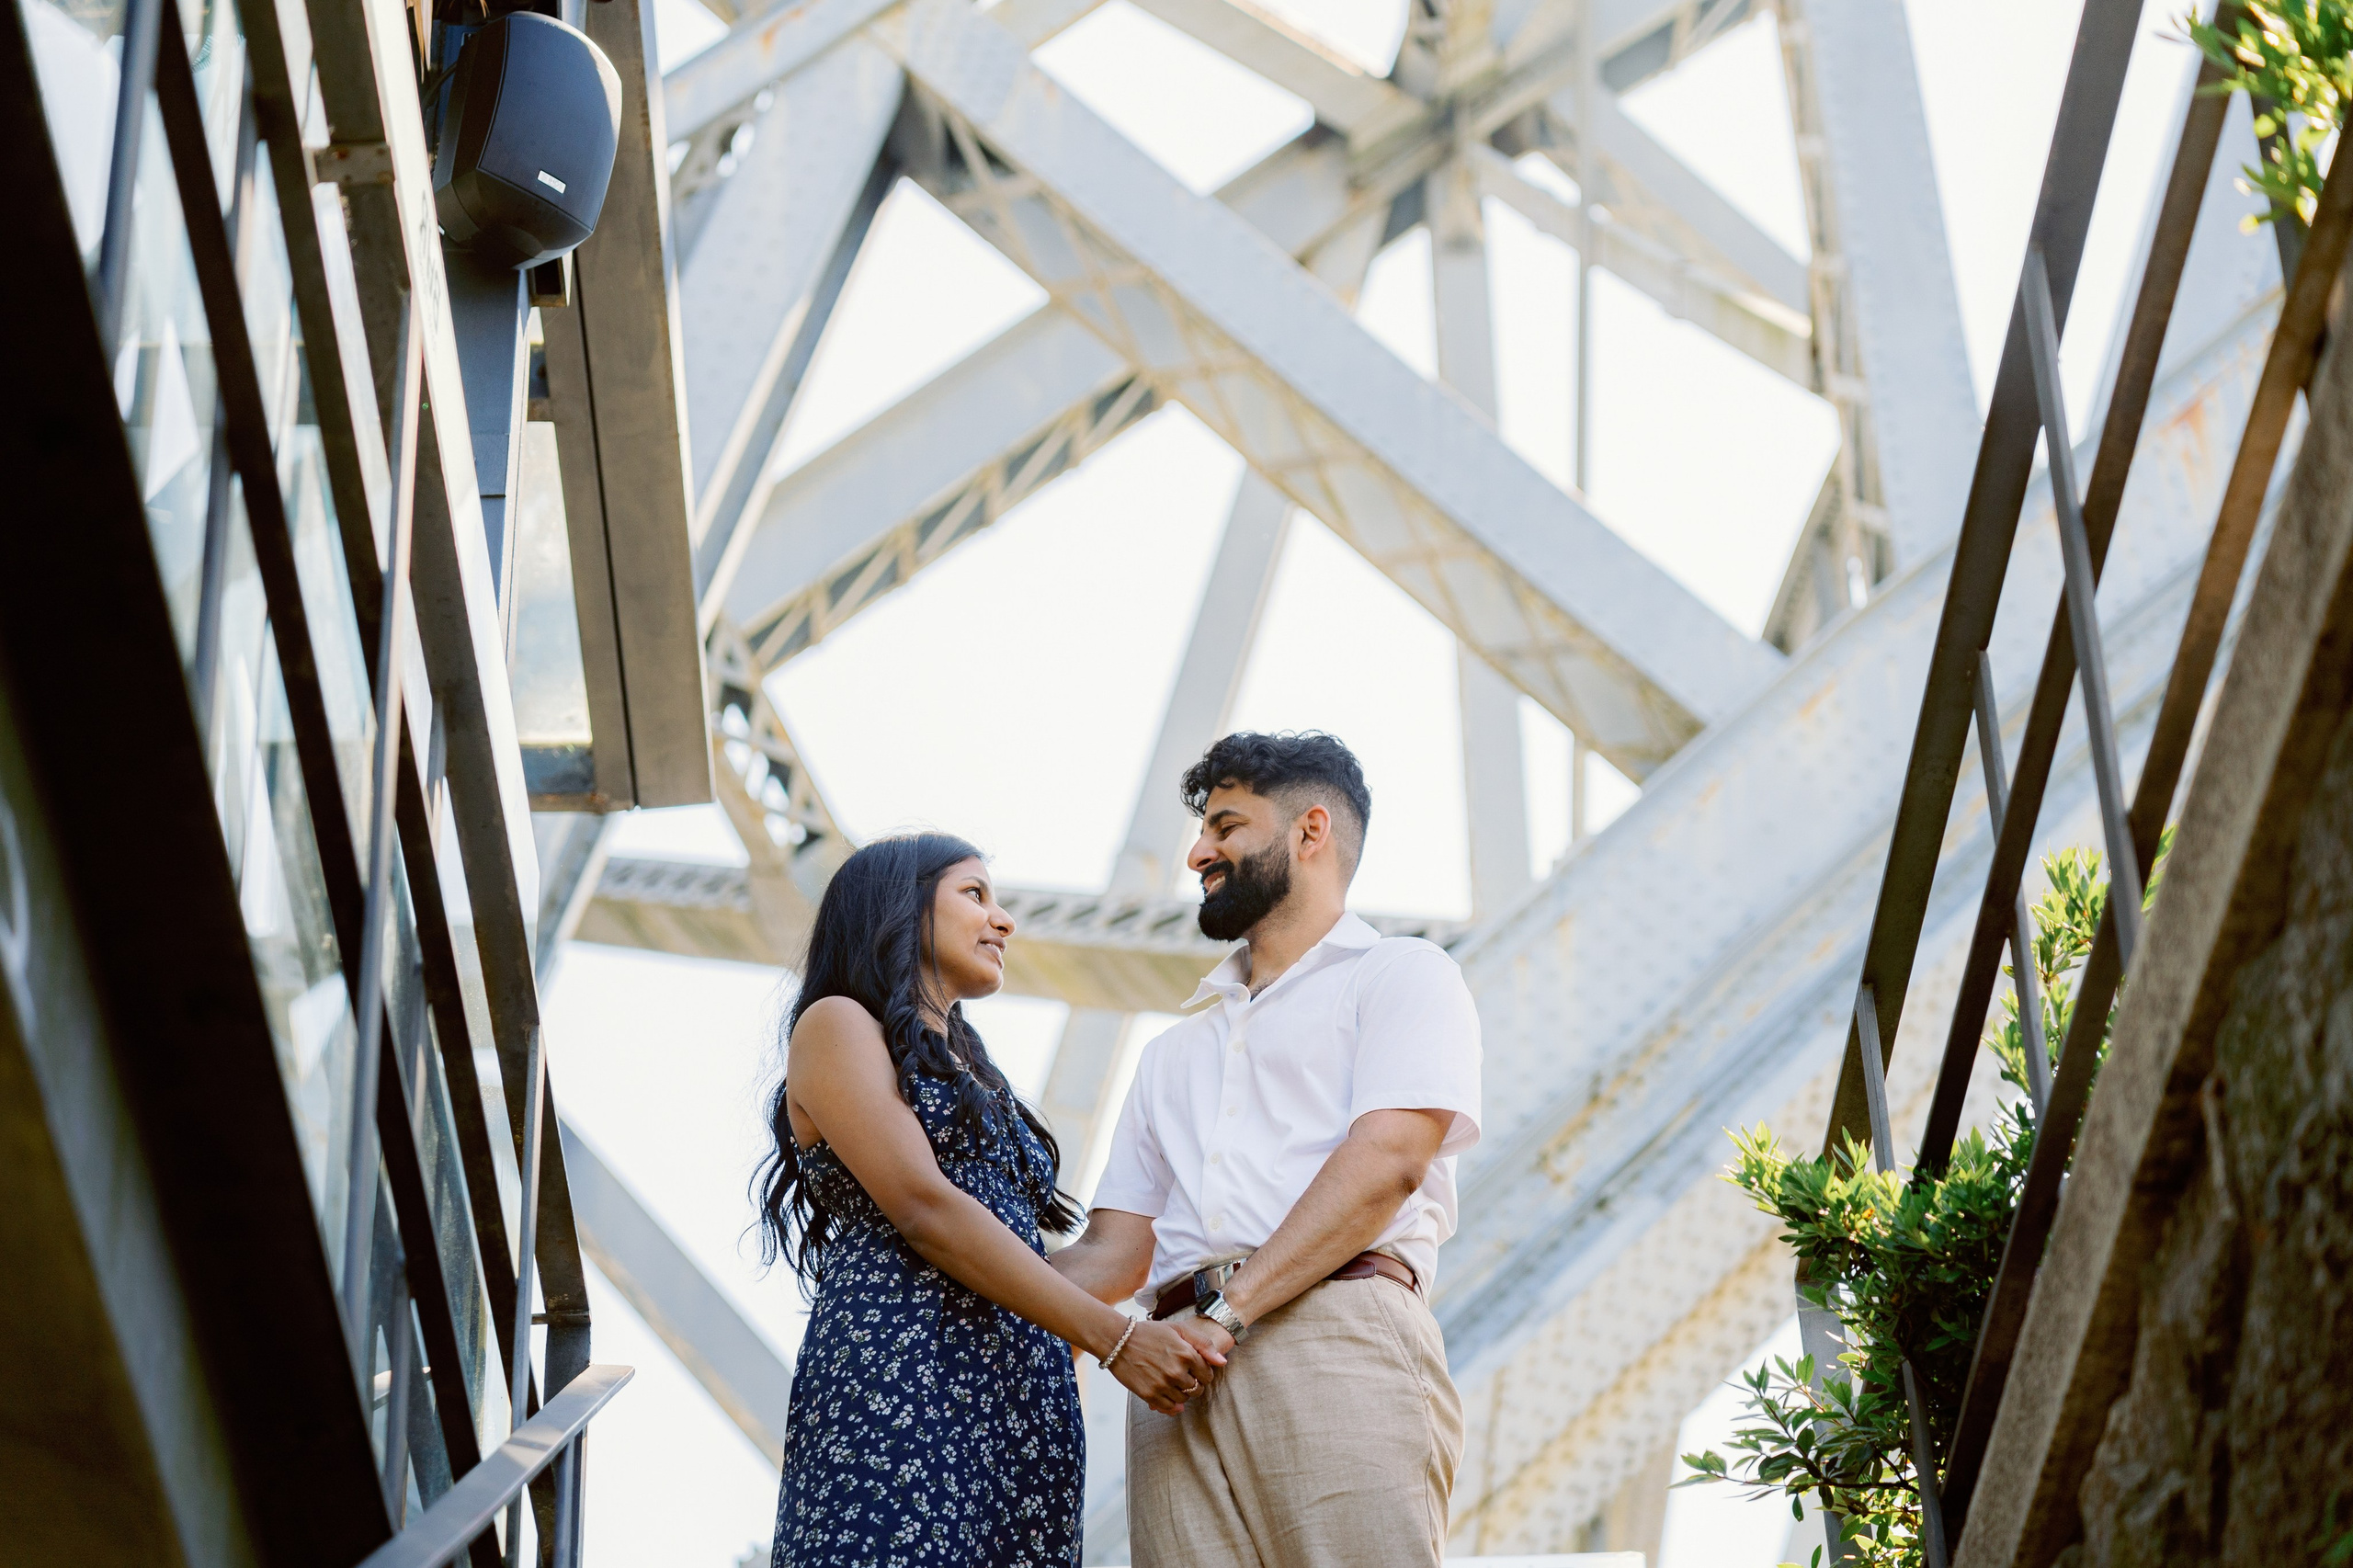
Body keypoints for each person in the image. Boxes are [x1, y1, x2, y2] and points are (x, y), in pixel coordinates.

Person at [1052, 732, 1483, 1568]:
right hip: (1174, 1375)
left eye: (1225, 826)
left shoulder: (1400, 976)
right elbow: (1116, 1251)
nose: (1197, 853)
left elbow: (1389, 1162)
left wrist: (1228, 1312)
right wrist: (960, 1286)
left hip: (1335, 1332)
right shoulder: (1171, 1055)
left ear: (1309, 831)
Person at [756, 833, 1216, 1568]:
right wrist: (1117, 1339)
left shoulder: (976, 1071)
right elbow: (923, 1207)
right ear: (899, 907)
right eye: (975, 894)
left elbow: (1055, 1263)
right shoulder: (838, 1023)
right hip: (902, 1385)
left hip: (1016, 1403)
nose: (1003, 920)